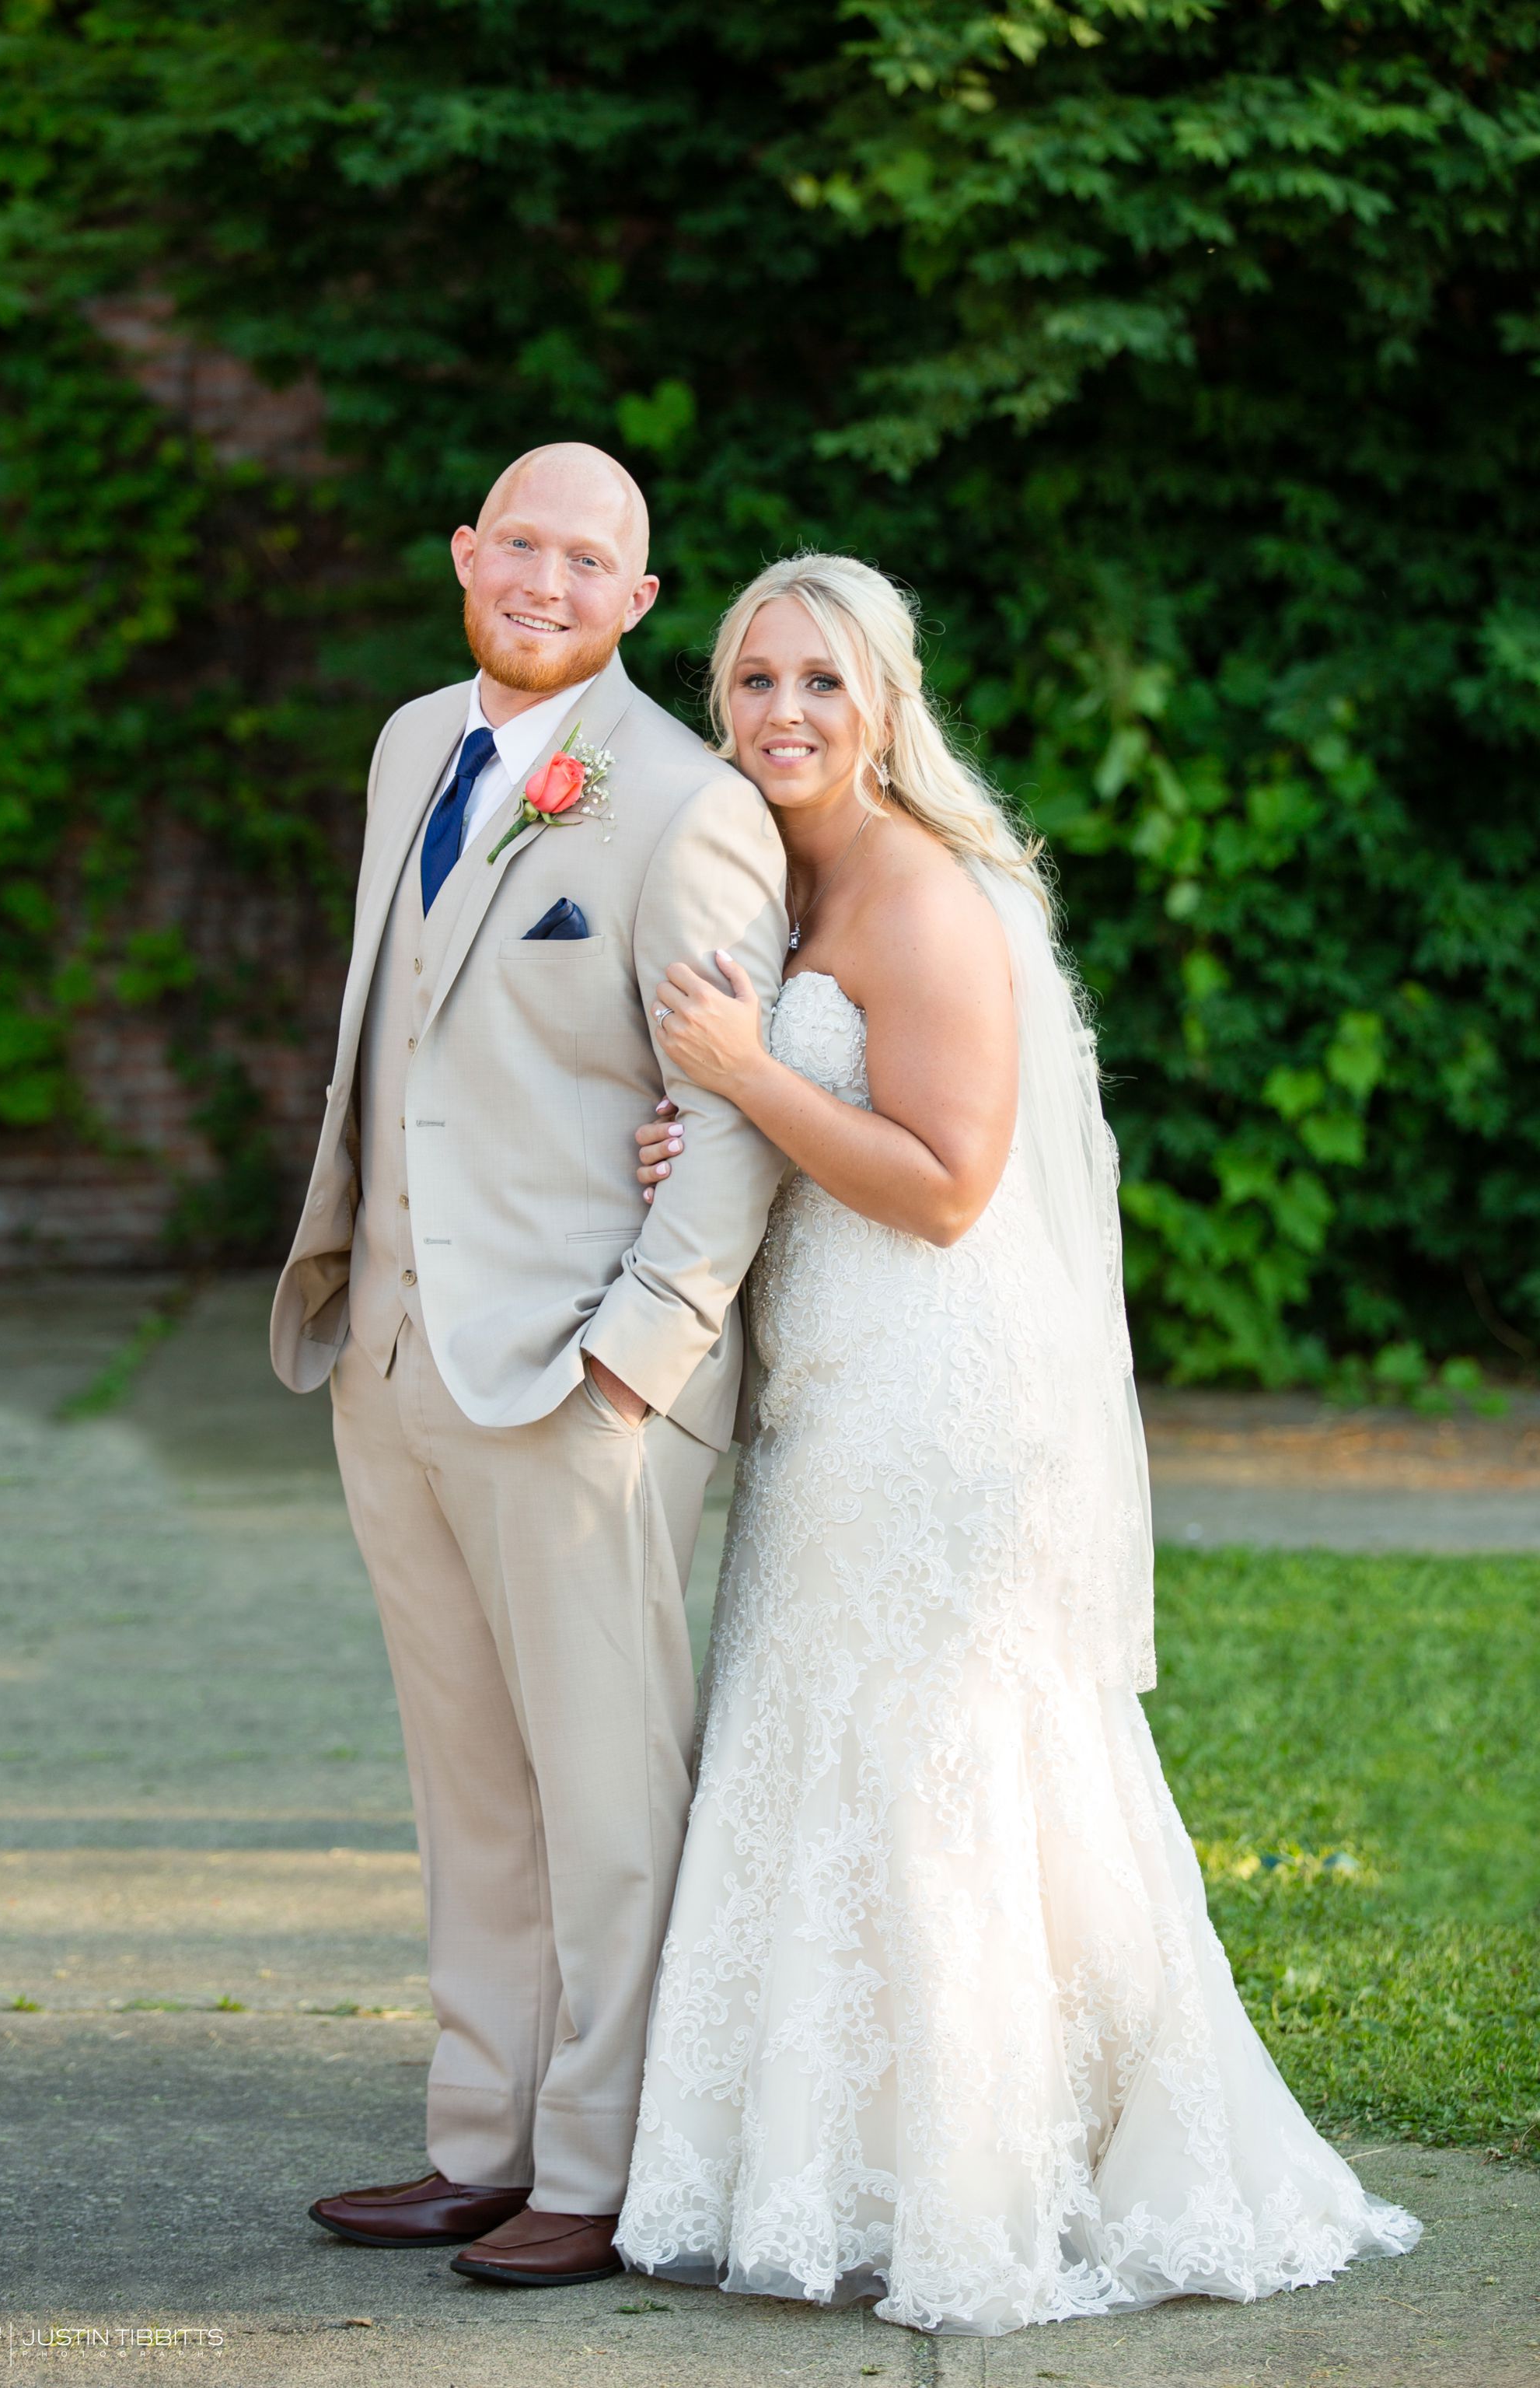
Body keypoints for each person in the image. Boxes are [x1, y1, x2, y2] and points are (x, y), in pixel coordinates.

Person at [613, 554, 1420, 2334]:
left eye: (822, 680)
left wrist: (748, 1080)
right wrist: (711, 1133)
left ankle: (982, 2182)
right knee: (827, 1752)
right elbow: (810, 1123)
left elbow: (947, 1184)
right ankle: (835, 2167)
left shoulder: (917, 892)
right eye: (754, 679)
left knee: (937, 1774)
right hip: (831, 1391)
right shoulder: (774, 875)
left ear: (884, 702)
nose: (784, 712)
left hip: (933, 1403)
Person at [269, 445, 787, 2288]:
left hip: (579, 1381)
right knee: (469, 1782)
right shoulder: (412, 743)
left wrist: (634, 1365)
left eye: (589, 558)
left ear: (637, 601)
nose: (545, 581)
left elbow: (729, 1117)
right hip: (393, 1356)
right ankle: (478, 2141)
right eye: (520, 545)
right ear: (464, 554)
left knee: (606, 1797)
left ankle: (602, 2166)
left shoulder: (689, 804)